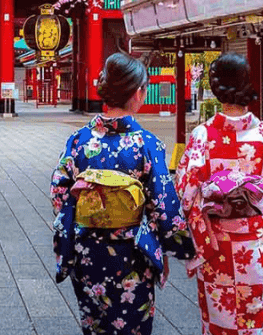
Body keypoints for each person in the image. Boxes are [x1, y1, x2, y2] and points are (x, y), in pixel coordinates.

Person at [51, 53, 195, 335]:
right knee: (133, 326)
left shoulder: (79, 140)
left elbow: (59, 192)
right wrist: (180, 249)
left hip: (88, 251)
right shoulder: (147, 144)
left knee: (96, 326)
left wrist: (84, 210)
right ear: (138, 93)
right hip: (133, 254)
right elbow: (163, 204)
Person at [176, 52, 263, 335]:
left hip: (217, 243)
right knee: (252, 318)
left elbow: (186, 190)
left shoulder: (203, 135)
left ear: (215, 87)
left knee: (218, 319)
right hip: (253, 242)